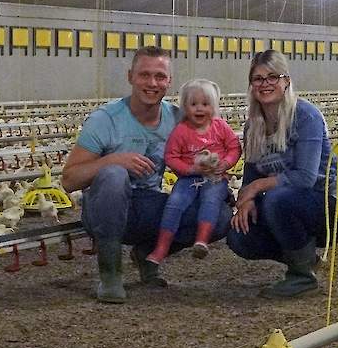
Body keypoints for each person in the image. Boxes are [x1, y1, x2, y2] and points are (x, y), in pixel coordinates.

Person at [61, 46, 232, 303]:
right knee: (113, 176)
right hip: (105, 209)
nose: (152, 83)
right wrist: (113, 160)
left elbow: (207, 148)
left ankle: (146, 253)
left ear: (169, 82)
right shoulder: (105, 120)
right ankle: (110, 274)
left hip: (147, 203)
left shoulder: (176, 119)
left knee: (219, 215)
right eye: (144, 75)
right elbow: (69, 180)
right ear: (131, 77)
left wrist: (213, 171)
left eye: (160, 76)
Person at [227, 50, 338, 298]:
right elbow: (251, 173)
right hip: (287, 205)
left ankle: (301, 277)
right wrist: (246, 201)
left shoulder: (306, 115)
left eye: (272, 77)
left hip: (329, 208)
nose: (265, 84)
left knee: (279, 198)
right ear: (252, 85)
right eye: (258, 78)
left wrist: (256, 188)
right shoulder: (253, 126)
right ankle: (305, 259)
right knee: (238, 235)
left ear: (286, 81)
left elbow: (305, 178)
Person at [145, 79, 241, 265]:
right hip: (189, 178)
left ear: (213, 106)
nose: (199, 109)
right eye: (193, 104)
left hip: (215, 177)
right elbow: (171, 156)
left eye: (205, 104)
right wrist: (189, 169)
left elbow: (234, 147)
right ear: (184, 107)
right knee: (175, 203)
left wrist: (225, 164)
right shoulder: (181, 131)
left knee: (211, 200)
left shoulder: (220, 126)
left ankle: (202, 240)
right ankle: (161, 248)